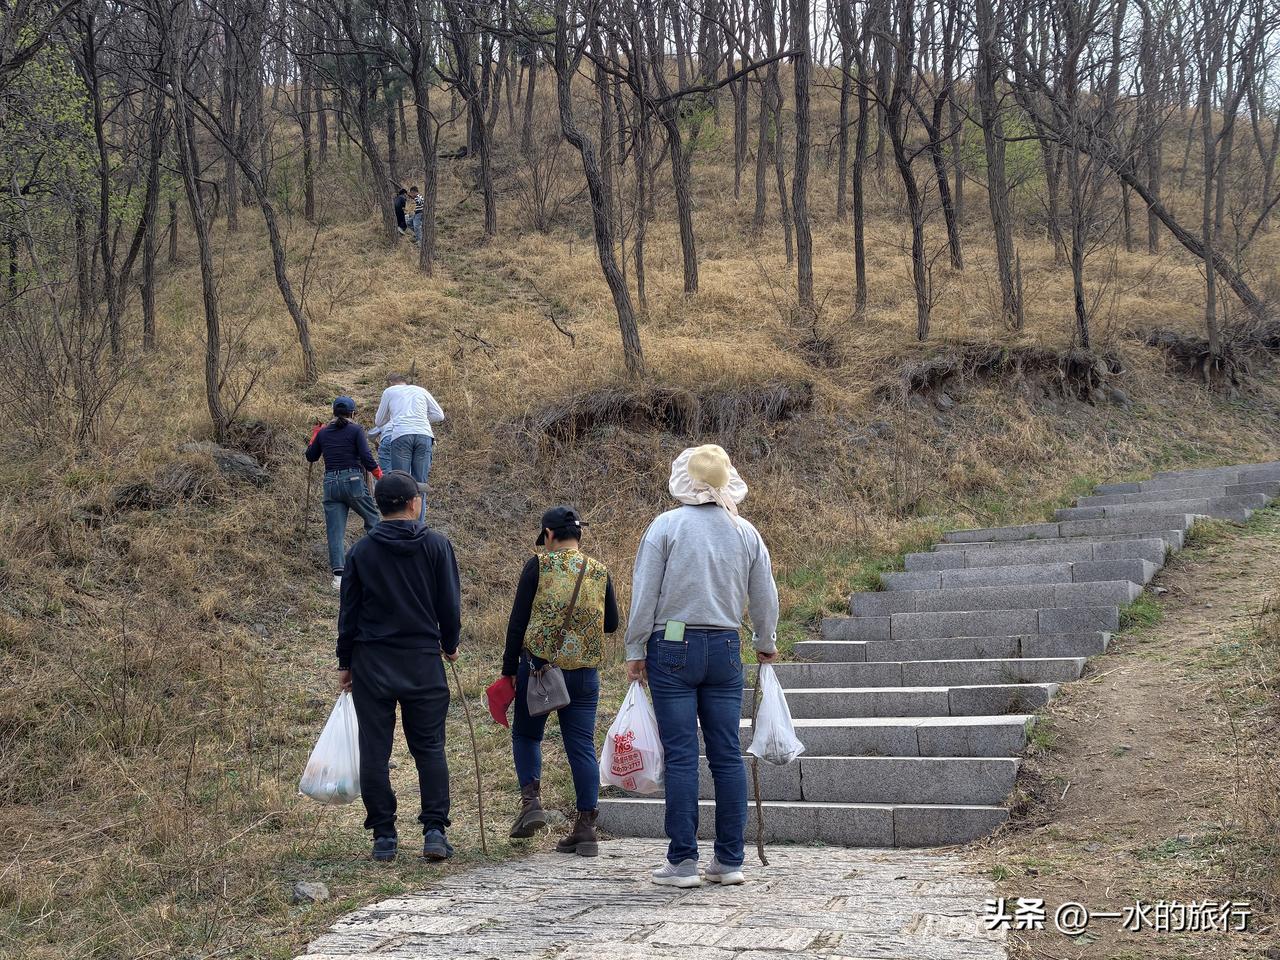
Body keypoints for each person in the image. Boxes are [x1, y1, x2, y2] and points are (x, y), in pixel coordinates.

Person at [623, 444, 779, 889]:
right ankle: (730, 860)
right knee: (727, 754)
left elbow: (645, 593)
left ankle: (682, 861)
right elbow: (764, 593)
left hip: (672, 641)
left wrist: (636, 649)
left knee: (682, 755)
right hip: (726, 644)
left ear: (684, 481)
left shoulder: (666, 526)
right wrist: (765, 642)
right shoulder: (745, 531)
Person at [337, 470, 462, 863]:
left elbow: (349, 613)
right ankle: (434, 832)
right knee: (429, 747)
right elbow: (450, 605)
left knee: (374, 749)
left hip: (371, 662)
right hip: (423, 660)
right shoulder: (437, 546)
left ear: (378, 505)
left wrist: (345, 662)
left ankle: (384, 837)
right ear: (413, 503)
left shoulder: (360, 551)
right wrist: (450, 644)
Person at [499, 507, 619, 856]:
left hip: (540, 671)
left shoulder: (538, 565)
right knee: (580, 746)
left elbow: (517, 621)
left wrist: (509, 669)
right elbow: (610, 623)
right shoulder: (599, 571)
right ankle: (585, 827)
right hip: (584, 676)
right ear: (579, 536)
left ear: (549, 534)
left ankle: (532, 803)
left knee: (525, 734)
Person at [305, 397, 382, 591]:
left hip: (330, 483)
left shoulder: (323, 432)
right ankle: (377, 565)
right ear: (353, 413)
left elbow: (311, 456)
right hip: (353, 481)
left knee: (335, 531)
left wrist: (314, 436)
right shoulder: (356, 430)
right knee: (373, 519)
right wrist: (379, 474)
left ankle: (338, 578)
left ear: (333, 412)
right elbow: (366, 457)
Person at [374, 373, 445, 520]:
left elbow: (379, 421)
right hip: (424, 435)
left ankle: (403, 524)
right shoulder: (421, 390)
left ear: (391, 383)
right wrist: (420, 418)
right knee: (420, 485)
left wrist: (395, 416)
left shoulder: (389, 392)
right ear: (405, 382)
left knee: (401, 483)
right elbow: (439, 415)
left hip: (401, 435)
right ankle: (419, 526)